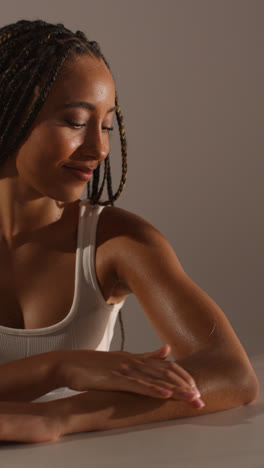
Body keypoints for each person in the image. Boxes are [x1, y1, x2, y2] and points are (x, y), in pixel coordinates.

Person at [0, 19, 259, 444]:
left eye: (105, 125)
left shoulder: (116, 241)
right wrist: (59, 368)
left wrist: (58, 417)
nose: (99, 149)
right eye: (75, 121)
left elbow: (231, 373)